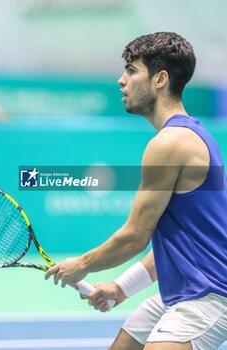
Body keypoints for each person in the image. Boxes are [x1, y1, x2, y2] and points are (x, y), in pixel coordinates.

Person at [45, 32, 227, 350]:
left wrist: (82, 264)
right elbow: (181, 242)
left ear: (160, 79)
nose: (121, 80)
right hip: (181, 290)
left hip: (209, 296)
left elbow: (134, 237)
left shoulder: (170, 143)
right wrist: (120, 288)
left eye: (131, 70)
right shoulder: (190, 134)